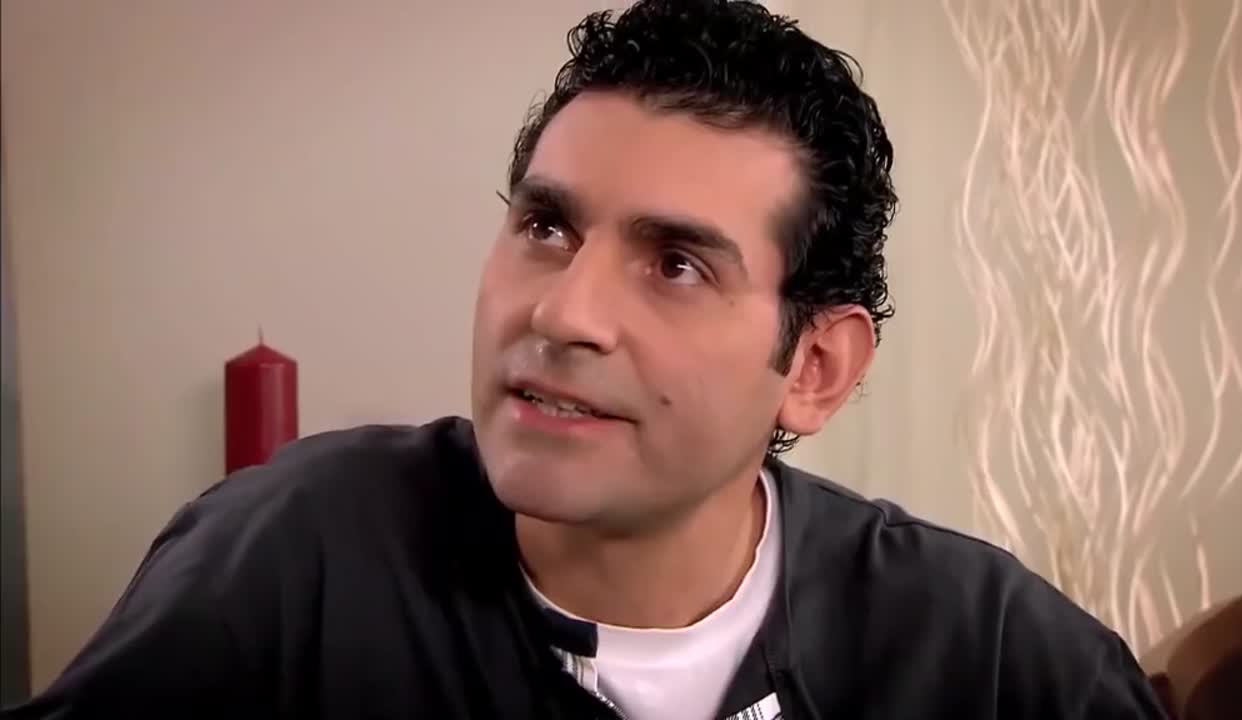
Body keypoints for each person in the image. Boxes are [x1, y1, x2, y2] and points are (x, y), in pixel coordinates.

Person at [4, 1, 1167, 718]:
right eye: (546, 227)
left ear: (814, 366)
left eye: (676, 265)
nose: (562, 312)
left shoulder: (989, 658)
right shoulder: (290, 559)